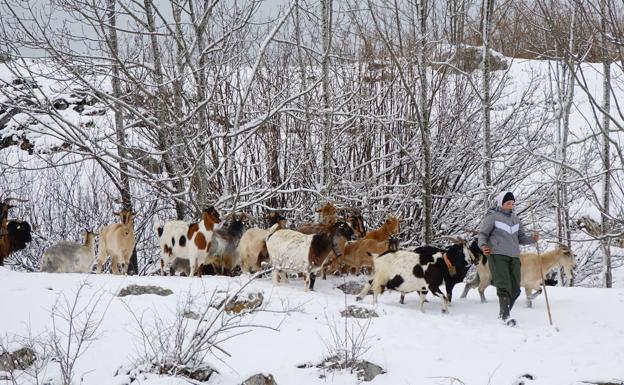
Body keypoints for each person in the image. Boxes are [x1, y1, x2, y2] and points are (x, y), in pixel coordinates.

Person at [478, 191, 539, 326]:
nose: (511, 206)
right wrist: (483, 246)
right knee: (504, 286)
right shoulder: (492, 216)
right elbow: (482, 234)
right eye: (508, 203)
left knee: (516, 289)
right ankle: (506, 316)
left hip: (514, 257)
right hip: (497, 255)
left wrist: (532, 239)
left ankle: (503, 313)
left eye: (512, 203)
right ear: (501, 203)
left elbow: (521, 238)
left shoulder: (515, 219)